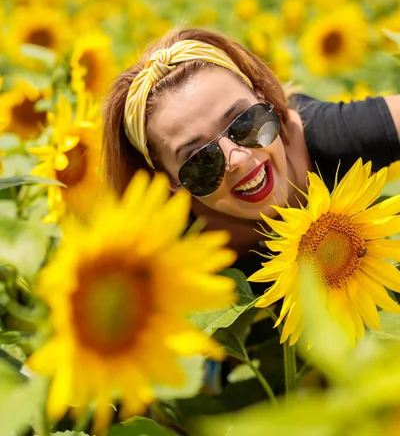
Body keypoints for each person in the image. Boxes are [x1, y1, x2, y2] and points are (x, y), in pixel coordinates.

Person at [102, 27, 400, 276]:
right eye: (201, 160)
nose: (239, 160)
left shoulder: (327, 134)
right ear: (167, 179)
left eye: (246, 123)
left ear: (263, 96)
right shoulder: (177, 252)